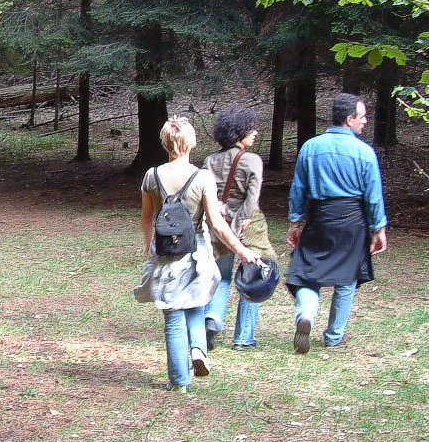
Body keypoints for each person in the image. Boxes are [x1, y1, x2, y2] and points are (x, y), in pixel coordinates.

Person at [133, 116, 260, 393]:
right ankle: (199, 349)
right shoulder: (202, 177)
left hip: (165, 251)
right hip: (197, 252)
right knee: (196, 302)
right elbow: (216, 223)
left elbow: (146, 216)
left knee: (173, 316)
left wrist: (148, 245)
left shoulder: (151, 175)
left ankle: (179, 381)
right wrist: (241, 249)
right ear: (190, 143)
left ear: (165, 142)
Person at [285, 93, 388, 353]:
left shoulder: (310, 147)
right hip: (353, 221)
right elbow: (373, 196)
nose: (365, 122)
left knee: (307, 273)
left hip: (320, 218)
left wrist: (296, 222)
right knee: (347, 278)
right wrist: (379, 228)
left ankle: (305, 315)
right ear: (349, 118)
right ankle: (333, 336)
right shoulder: (365, 152)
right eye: (362, 117)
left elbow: (298, 188)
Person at [201, 107, 278, 351]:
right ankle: (244, 338)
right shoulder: (252, 160)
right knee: (254, 275)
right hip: (249, 225)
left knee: (221, 276)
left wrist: (223, 222)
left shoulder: (209, 161)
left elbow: (206, 197)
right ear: (238, 132)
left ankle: (212, 319)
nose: (255, 132)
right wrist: (241, 222)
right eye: (251, 128)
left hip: (218, 223)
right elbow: (252, 198)